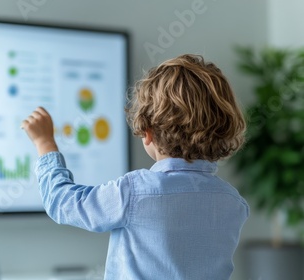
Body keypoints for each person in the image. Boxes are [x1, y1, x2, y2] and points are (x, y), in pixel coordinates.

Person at [21, 54, 249, 279]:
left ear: (148, 133)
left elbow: (63, 203)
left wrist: (45, 144)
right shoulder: (233, 203)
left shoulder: (135, 192)